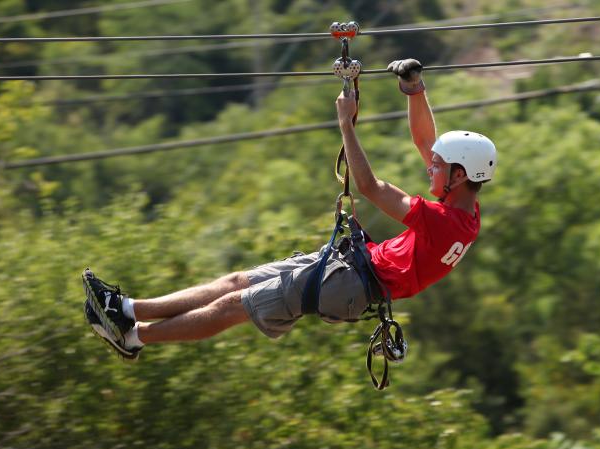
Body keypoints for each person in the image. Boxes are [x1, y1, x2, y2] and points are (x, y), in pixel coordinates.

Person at [83, 58, 497, 360]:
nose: (430, 168)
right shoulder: (464, 209)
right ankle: (126, 309)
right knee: (234, 283)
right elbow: (428, 142)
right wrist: (414, 88)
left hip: (351, 285)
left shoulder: (442, 220)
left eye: (439, 168)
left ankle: (134, 337)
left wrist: (346, 125)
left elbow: (370, 187)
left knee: (234, 305)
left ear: (459, 176)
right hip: (352, 268)